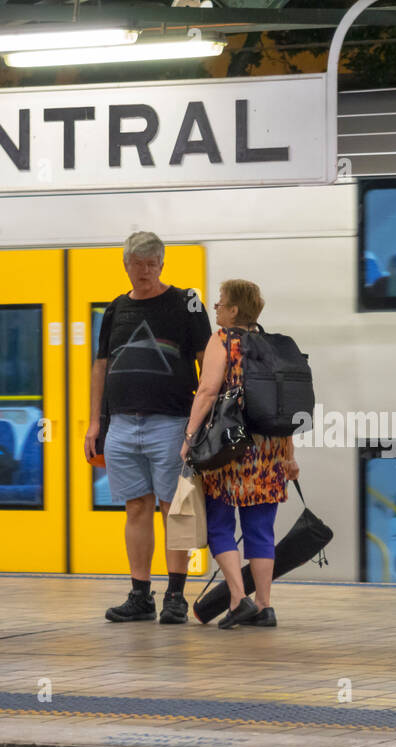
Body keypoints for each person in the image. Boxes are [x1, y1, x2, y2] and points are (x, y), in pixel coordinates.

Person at [86, 231, 211, 626]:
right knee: (136, 506)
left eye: (151, 263)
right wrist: (95, 423)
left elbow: (207, 361)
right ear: (125, 265)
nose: (143, 270)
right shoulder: (115, 310)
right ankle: (140, 595)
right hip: (122, 424)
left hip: (173, 423)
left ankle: (176, 594)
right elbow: (100, 366)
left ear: (162, 264)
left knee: (175, 509)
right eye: (136, 263)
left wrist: (198, 424)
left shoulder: (186, 302)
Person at [181, 280, 299, 629]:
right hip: (270, 450)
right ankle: (265, 606)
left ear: (234, 310)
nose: (215, 308)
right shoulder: (275, 346)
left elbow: (206, 391)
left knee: (219, 523)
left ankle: (237, 599)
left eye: (220, 303)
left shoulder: (223, 341)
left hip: (230, 447)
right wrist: (288, 455)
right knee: (261, 531)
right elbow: (286, 407)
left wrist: (189, 436)